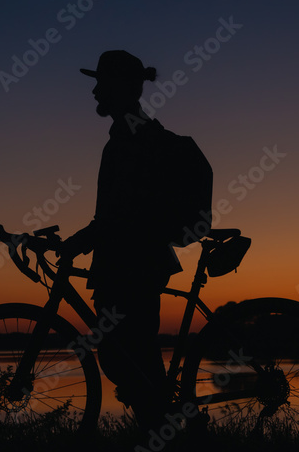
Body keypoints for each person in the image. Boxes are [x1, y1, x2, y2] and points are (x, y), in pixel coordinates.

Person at [60, 50, 212, 429]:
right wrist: (84, 239)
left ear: (123, 87)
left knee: (126, 357)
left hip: (131, 265)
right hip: (133, 263)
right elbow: (117, 213)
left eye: (101, 83)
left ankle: (167, 435)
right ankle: (167, 433)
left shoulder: (131, 140)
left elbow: (119, 213)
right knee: (131, 358)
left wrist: (78, 241)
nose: (95, 91)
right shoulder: (130, 134)